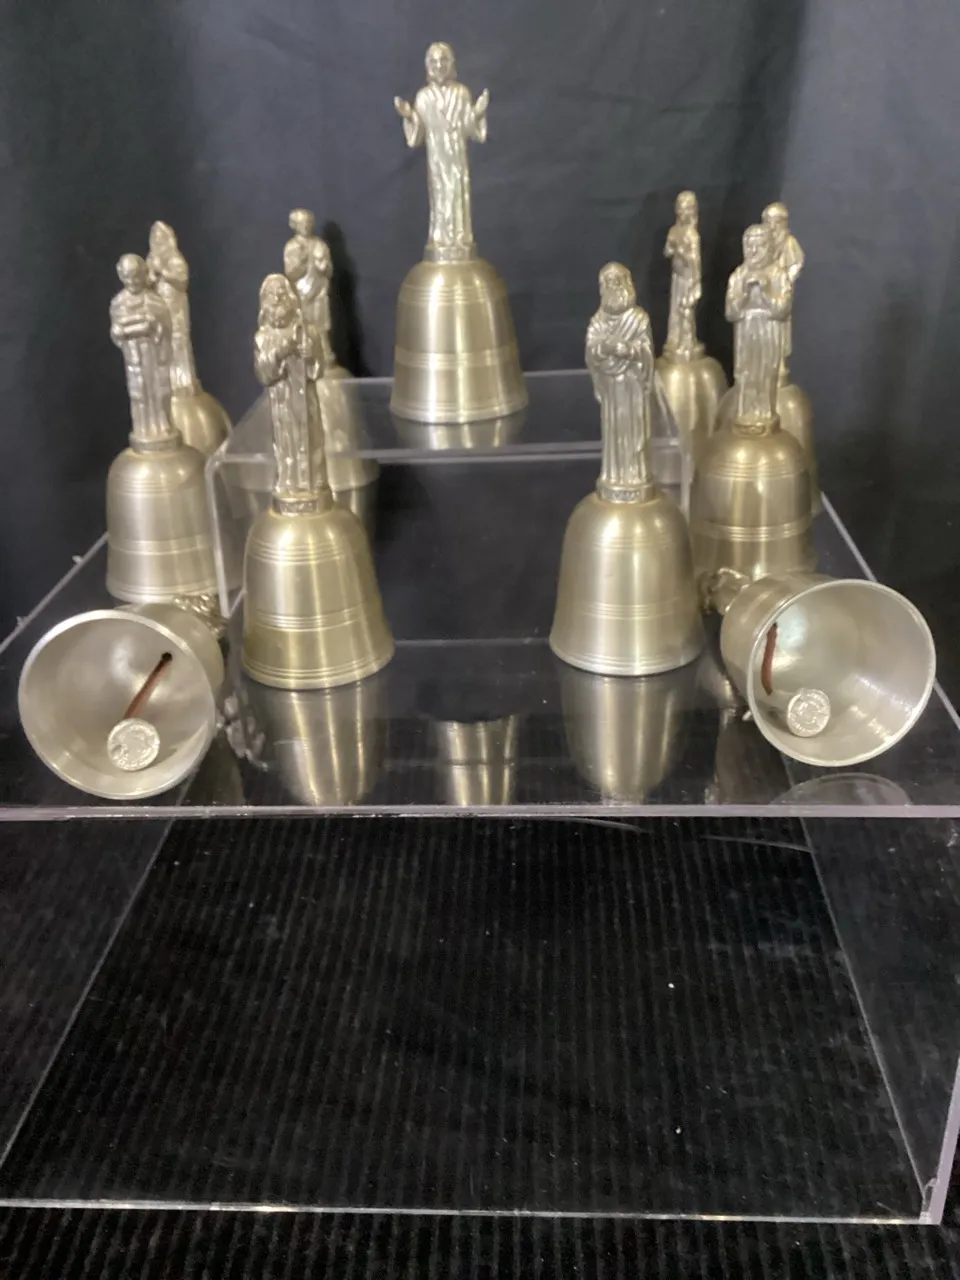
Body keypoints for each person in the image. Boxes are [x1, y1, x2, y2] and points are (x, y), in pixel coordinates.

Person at [394, 42, 489, 255]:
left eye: (443, 60)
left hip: (457, 154)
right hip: (437, 156)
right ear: (428, 65)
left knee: (458, 192)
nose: (439, 66)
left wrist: (477, 113)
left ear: (451, 63)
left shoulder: (461, 93)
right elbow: (418, 134)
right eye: (434, 61)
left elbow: (469, 128)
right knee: (440, 193)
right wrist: (409, 115)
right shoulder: (424, 97)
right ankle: (441, 238)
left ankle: (461, 238)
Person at [254, 274, 327, 500]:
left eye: (281, 294)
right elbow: (263, 373)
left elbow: (318, 368)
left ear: (291, 298)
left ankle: (314, 482)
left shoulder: (308, 332)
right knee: (285, 442)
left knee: (312, 438)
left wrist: (311, 356)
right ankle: (288, 483)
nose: (277, 299)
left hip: (305, 398)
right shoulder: (263, 338)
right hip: (281, 401)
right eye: (271, 295)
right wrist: (280, 353)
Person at [585, 263, 655, 498]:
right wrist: (604, 348)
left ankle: (636, 475)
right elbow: (591, 351)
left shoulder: (638, 319)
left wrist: (630, 350)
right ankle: (615, 476)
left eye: (618, 281)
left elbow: (647, 351)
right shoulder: (598, 321)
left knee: (634, 433)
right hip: (611, 388)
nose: (614, 287)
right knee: (614, 432)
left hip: (632, 386)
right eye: (609, 283)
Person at [725, 225, 792, 425]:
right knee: (745, 373)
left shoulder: (778, 275)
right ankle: (745, 414)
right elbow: (731, 312)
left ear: (769, 247)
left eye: (759, 246)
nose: (753, 251)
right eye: (749, 246)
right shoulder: (738, 276)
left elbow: (782, 309)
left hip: (768, 331)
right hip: (746, 331)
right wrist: (745, 293)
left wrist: (766, 291)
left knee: (766, 372)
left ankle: (765, 414)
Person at [109, 254, 175, 445]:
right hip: (134, 358)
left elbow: (166, 327)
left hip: (154, 355)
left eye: (136, 276)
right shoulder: (118, 303)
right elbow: (116, 333)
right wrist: (127, 330)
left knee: (161, 391)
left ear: (144, 274)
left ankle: (163, 423)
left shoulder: (155, 301)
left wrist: (155, 328)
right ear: (121, 276)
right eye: (127, 277)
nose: (132, 281)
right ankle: (143, 427)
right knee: (139, 393)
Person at [146, 221, 199, 394]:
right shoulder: (151, 260)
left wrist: (163, 271)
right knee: (162, 343)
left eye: (161, 238)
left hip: (176, 308)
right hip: (159, 307)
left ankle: (183, 380)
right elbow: (147, 283)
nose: (158, 241)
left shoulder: (175, 260)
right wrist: (152, 276)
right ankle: (166, 381)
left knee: (178, 341)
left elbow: (182, 281)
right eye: (155, 238)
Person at [284, 209, 336, 368]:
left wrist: (324, 266)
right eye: (302, 223)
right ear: (295, 225)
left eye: (308, 222)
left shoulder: (320, 245)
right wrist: (301, 261)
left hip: (319, 291)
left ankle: (324, 351)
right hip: (301, 291)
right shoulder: (292, 247)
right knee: (304, 321)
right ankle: (306, 352)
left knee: (321, 322)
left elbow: (329, 270)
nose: (306, 226)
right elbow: (290, 272)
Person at [762, 202, 804, 378]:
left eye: (776, 222)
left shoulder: (789, 243)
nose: (772, 227)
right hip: (765, 293)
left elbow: (797, 263)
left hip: (780, 294)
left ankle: (779, 363)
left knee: (780, 330)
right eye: (768, 221)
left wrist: (786, 279)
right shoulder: (763, 244)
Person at [663, 191, 703, 359]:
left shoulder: (692, 236)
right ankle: (675, 339)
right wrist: (672, 248)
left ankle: (687, 342)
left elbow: (695, 262)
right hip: (677, 278)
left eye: (688, 209)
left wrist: (679, 251)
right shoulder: (674, 230)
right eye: (681, 208)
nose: (683, 212)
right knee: (675, 311)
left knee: (685, 311)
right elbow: (667, 251)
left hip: (688, 279)